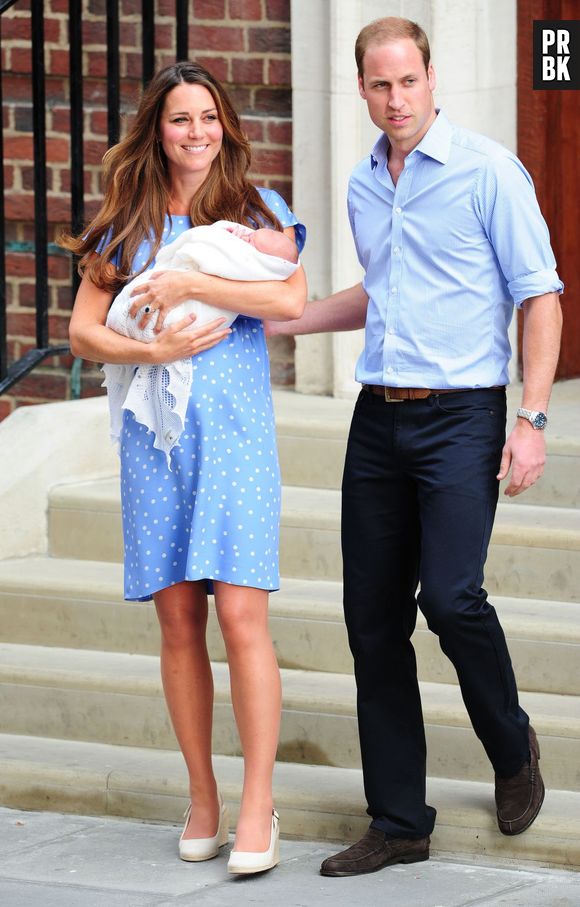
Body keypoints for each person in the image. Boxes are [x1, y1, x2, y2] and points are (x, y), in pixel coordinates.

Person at [268, 16, 563, 877]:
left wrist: (532, 418)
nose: (395, 99)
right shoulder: (364, 184)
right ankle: (399, 819)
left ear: (433, 80)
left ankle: (512, 744)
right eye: (379, 85)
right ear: (360, 90)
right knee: (372, 621)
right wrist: (281, 317)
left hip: (463, 414)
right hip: (378, 420)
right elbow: (383, 292)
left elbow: (539, 296)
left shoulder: (487, 172)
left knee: (454, 598)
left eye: (408, 81)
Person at [62, 60, 307, 876]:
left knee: (242, 617)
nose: (195, 132)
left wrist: (196, 280)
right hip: (154, 441)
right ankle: (202, 794)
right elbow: (83, 332)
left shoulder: (254, 211)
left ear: (225, 126)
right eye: (179, 119)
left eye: (208, 117)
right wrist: (152, 346)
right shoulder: (126, 218)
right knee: (177, 622)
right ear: (156, 130)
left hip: (235, 437)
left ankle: (256, 803)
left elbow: (293, 302)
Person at [102, 221, 299, 466]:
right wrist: (152, 352)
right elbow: (81, 337)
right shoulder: (127, 219)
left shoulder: (261, 209)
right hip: (148, 424)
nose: (246, 236)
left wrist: (189, 285)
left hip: (235, 419)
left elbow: (290, 303)